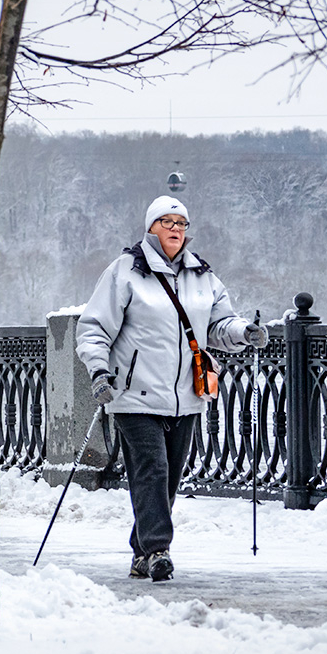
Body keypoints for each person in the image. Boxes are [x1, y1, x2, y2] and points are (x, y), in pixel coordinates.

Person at [75, 195, 267, 581]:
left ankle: (140, 552)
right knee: (152, 470)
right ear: (150, 228)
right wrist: (98, 371)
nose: (176, 230)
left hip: (186, 394)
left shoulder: (203, 276)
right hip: (133, 394)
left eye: (181, 224)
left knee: (169, 478)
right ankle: (159, 549)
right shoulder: (125, 272)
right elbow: (94, 327)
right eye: (167, 222)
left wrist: (244, 333)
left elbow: (217, 325)